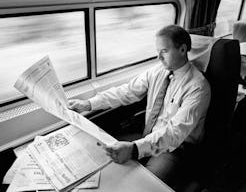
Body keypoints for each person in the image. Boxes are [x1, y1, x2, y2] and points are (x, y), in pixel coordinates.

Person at [68, 25, 211, 188]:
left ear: (182, 49)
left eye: (164, 51)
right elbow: (126, 91)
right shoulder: (157, 72)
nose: (159, 57)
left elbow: (175, 133)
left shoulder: (198, 87)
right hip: (147, 135)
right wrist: (88, 104)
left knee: (142, 186)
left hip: (176, 148)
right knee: (105, 162)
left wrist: (134, 148)